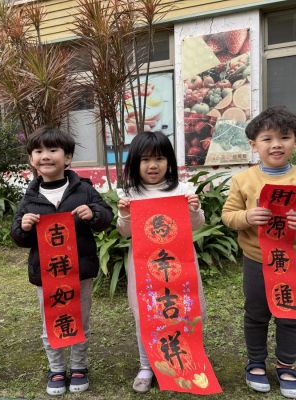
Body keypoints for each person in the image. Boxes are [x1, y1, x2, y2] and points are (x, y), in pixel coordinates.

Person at [11, 126, 113, 396]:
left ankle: (79, 367)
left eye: (53, 150)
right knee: (50, 322)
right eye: (38, 151)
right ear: (31, 159)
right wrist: (24, 226)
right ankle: (56, 369)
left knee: (80, 320)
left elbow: (106, 216)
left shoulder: (84, 189)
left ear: (67, 158)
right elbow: (18, 237)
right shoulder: (30, 197)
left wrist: (93, 213)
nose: (45, 155)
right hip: (46, 275)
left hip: (79, 271)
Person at [116, 130, 206, 393]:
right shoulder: (131, 193)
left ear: (169, 162)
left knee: (183, 309)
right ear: (135, 163)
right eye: (145, 160)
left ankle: (184, 360)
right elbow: (124, 232)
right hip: (144, 267)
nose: (152, 165)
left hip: (178, 266)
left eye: (159, 159)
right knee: (146, 314)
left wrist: (194, 209)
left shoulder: (182, 190)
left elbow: (197, 225)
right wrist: (124, 214)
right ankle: (146, 365)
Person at [222, 106, 296, 399]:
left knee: (290, 313)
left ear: (294, 141)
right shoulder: (244, 180)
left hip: (291, 262)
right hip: (257, 260)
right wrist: (247, 217)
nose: (276, 145)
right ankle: (255, 363)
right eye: (267, 139)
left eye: (285, 137)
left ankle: (286, 366)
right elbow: (228, 216)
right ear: (254, 144)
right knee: (256, 313)